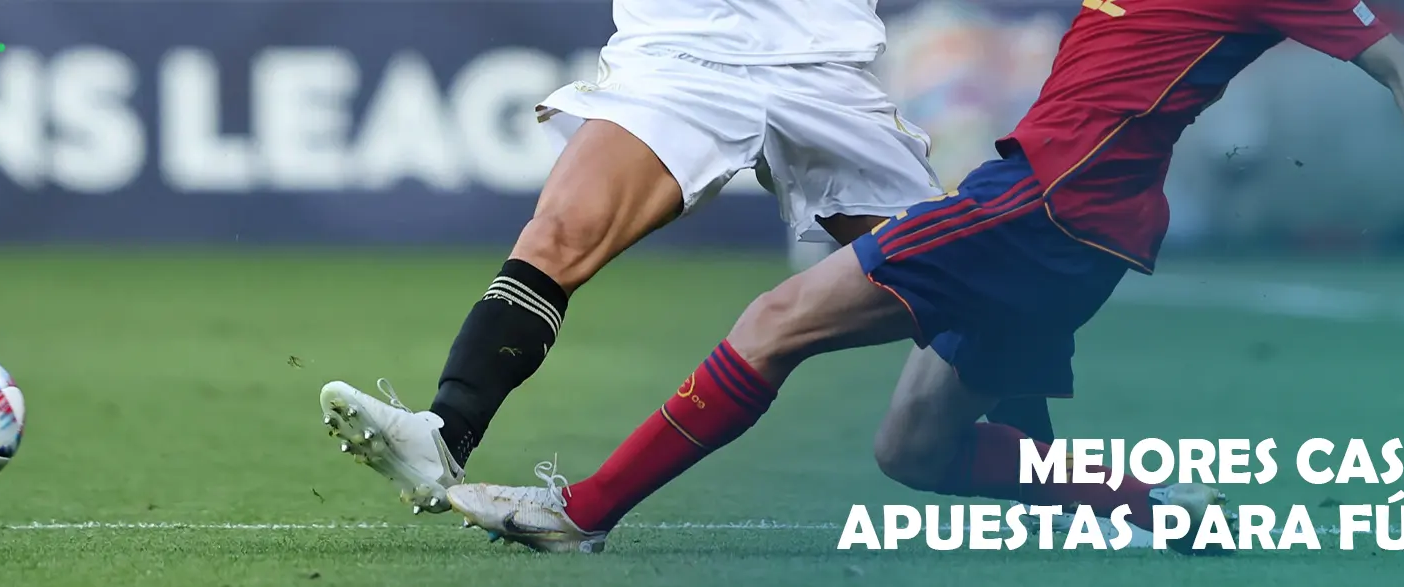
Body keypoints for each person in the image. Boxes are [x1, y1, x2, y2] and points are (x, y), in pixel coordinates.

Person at [440, 0, 1404, 554]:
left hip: (1045, 206)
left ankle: (578, 513)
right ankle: (1171, 508)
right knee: (915, 449)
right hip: (1079, 230)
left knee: (773, 320)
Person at [315, 0, 1065, 516]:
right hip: (682, 53)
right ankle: (443, 433)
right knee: (561, 232)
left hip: (824, 64)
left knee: (965, 285)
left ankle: (1041, 471)